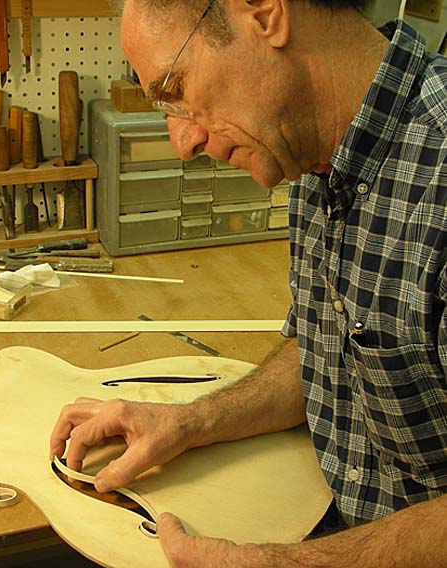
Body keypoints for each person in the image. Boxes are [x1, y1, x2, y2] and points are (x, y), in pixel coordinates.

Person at [51, 0, 447, 565]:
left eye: (175, 87)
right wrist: (188, 422)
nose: (181, 142)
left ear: (265, 13)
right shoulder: (311, 147)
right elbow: (329, 353)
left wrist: (282, 564)